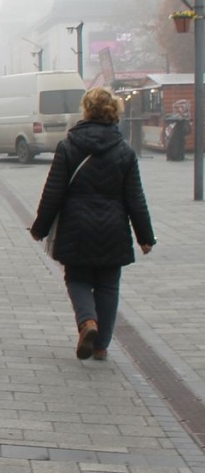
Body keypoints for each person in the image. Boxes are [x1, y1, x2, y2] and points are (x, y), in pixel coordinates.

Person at [30, 87, 156, 361]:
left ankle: (87, 321)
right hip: (113, 228)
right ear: (114, 112)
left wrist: (40, 228)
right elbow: (135, 198)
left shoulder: (69, 146)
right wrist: (145, 237)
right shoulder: (124, 150)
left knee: (77, 278)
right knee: (109, 285)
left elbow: (54, 191)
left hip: (76, 226)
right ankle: (100, 346)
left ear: (86, 110)